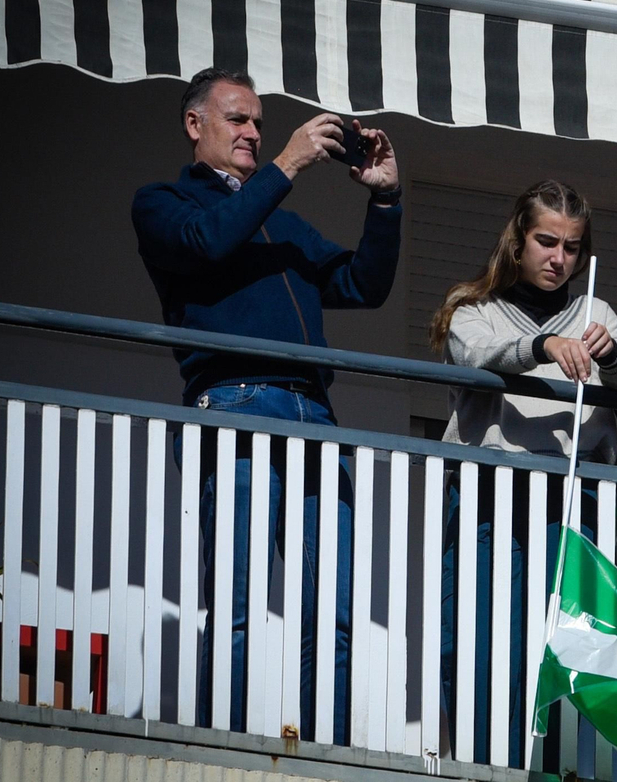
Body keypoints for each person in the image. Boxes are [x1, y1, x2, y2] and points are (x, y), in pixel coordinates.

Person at [131, 67, 402, 744]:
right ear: (195, 124)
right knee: (239, 602)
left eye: (259, 122)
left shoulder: (283, 223)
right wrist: (287, 164)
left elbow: (361, 284)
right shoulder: (164, 202)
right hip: (236, 405)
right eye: (238, 119)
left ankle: (325, 754)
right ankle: (220, 750)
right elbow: (208, 242)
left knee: (334, 612)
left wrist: (386, 200)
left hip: (315, 414)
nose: (253, 132)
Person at [429, 180, 617, 765]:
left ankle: (541, 769)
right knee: (476, 641)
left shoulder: (596, 313)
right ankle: (481, 767)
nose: (559, 259)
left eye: (572, 248)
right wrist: (544, 345)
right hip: (489, 499)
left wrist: (612, 354)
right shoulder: (473, 309)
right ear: (518, 241)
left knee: (552, 653)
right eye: (546, 242)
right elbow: (477, 355)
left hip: (569, 505)